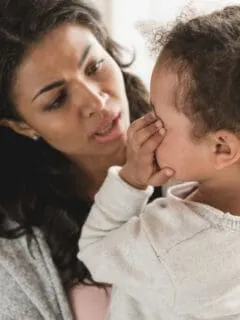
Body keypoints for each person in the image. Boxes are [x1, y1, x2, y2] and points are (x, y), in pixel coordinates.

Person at [0, 0, 163, 319]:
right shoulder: (15, 247)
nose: (96, 102)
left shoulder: (206, 137)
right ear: (21, 125)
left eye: (94, 67)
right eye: (57, 99)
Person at [78, 5, 240, 320]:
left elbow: (96, 249)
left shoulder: (168, 244)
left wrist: (130, 181)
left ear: (222, 147)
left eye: (159, 118)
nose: (145, 122)